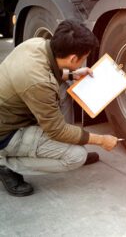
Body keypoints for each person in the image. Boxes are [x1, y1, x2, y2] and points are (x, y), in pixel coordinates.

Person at [0, 19, 118, 197]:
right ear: (73, 58)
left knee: (63, 85)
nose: (83, 62)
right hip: (6, 133)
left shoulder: (36, 44)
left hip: (12, 109)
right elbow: (56, 130)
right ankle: (5, 165)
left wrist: (71, 73)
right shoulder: (38, 83)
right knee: (76, 156)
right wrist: (101, 140)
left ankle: (63, 143)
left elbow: (49, 69)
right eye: (83, 58)